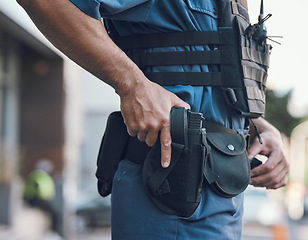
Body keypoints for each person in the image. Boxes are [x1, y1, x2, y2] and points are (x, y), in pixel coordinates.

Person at [17, 0, 289, 239]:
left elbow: (209, 74)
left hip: (219, 197)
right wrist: (132, 85)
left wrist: (255, 125)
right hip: (171, 192)